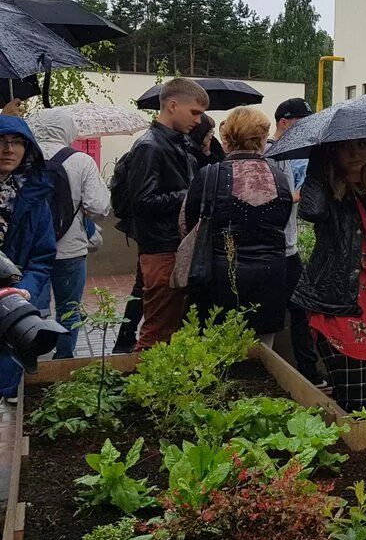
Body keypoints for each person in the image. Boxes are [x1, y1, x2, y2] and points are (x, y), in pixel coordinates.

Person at [292, 139, 366, 412]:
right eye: (346, 147)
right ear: (332, 151)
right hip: (341, 304)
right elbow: (312, 211)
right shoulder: (326, 188)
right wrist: (318, 162)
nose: (356, 153)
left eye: (362, 145)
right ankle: (352, 449)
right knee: (354, 406)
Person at [183, 107, 291, 345]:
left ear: (227, 138)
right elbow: (281, 221)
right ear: (262, 138)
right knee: (263, 355)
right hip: (270, 277)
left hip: (220, 276)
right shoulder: (278, 177)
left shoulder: (210, 174)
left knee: (215, 352)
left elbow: (188, 224)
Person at [125, 78, 207, 351]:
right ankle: (142, 387)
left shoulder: (178, 143)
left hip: (175, 246)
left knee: (170, 327)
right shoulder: (150, 146)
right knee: (157, 330)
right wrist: (190, 194)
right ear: (173, 105)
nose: (198, 120)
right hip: (161, 249)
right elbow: (143, 202)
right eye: (195, 112)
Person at [31, 109, 111, 358]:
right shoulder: (81, 161)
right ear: (68, 129)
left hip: (30, 251)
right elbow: (99, 206)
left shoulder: (24, 157)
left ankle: (30, 361)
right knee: (69, 308)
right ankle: (63, 359)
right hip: (71, 248)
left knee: (32, 308)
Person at [264, 97, 324, 389]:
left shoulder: (288, 154)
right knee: (276, 313)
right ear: (284, 123)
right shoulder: (268, 155)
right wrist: (300, 193)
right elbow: (274, 200)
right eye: (301, 123)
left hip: (290, 248)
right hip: (274, 250)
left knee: (301, 309)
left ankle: (309, 372)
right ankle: (269, 372)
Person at [0, 116, 57, 402]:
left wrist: (25, 290)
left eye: (16, 142)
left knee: (6, 384)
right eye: (0, 141)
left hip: (13, 306)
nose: (8, 149)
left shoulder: (34, 197)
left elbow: (43, 257)